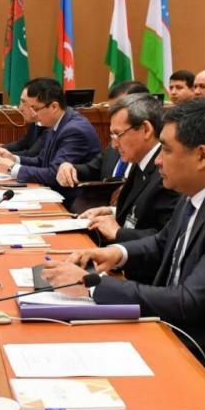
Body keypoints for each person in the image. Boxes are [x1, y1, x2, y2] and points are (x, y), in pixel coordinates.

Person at [42, 99, 205, 395]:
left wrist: (92, 285)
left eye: (165, 149)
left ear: (202, 156)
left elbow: (189, 301)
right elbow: (164, 243)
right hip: (183, 335)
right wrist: (116, 254)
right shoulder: (199, 190)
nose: (157, 161)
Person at [75, 93, 178, 282]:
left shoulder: (167, 170)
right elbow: (143, 208)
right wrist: (112, 211)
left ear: (146, 129)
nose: (114, 145)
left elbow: (167, 237)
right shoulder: (141, 162)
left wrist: (118, 233)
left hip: (144, 279)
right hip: (124, 266)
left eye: (118, 135)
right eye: (112, 135)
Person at [0, 77, 103, 199]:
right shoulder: (57, 122)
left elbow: (55, 174)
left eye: (35, 108)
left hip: (72, 200)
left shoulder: (74, 130)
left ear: (54, 107)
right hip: (54, 192)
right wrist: (14, 158)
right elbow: (41, 161)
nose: (33, 114)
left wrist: (14, 169)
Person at [56, 81, 149, 187]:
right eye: (111, 110)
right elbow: (93, 169)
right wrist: (69, 168)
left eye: (118, 109)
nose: (112, 116)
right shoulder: (116, 141)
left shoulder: (152, 156)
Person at [0, 84, 45, 159]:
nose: (20, 108)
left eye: (24, 102)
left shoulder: (48, 125)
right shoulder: (35, 122)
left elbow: (32, 154)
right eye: (21, 101)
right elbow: (20, 144)